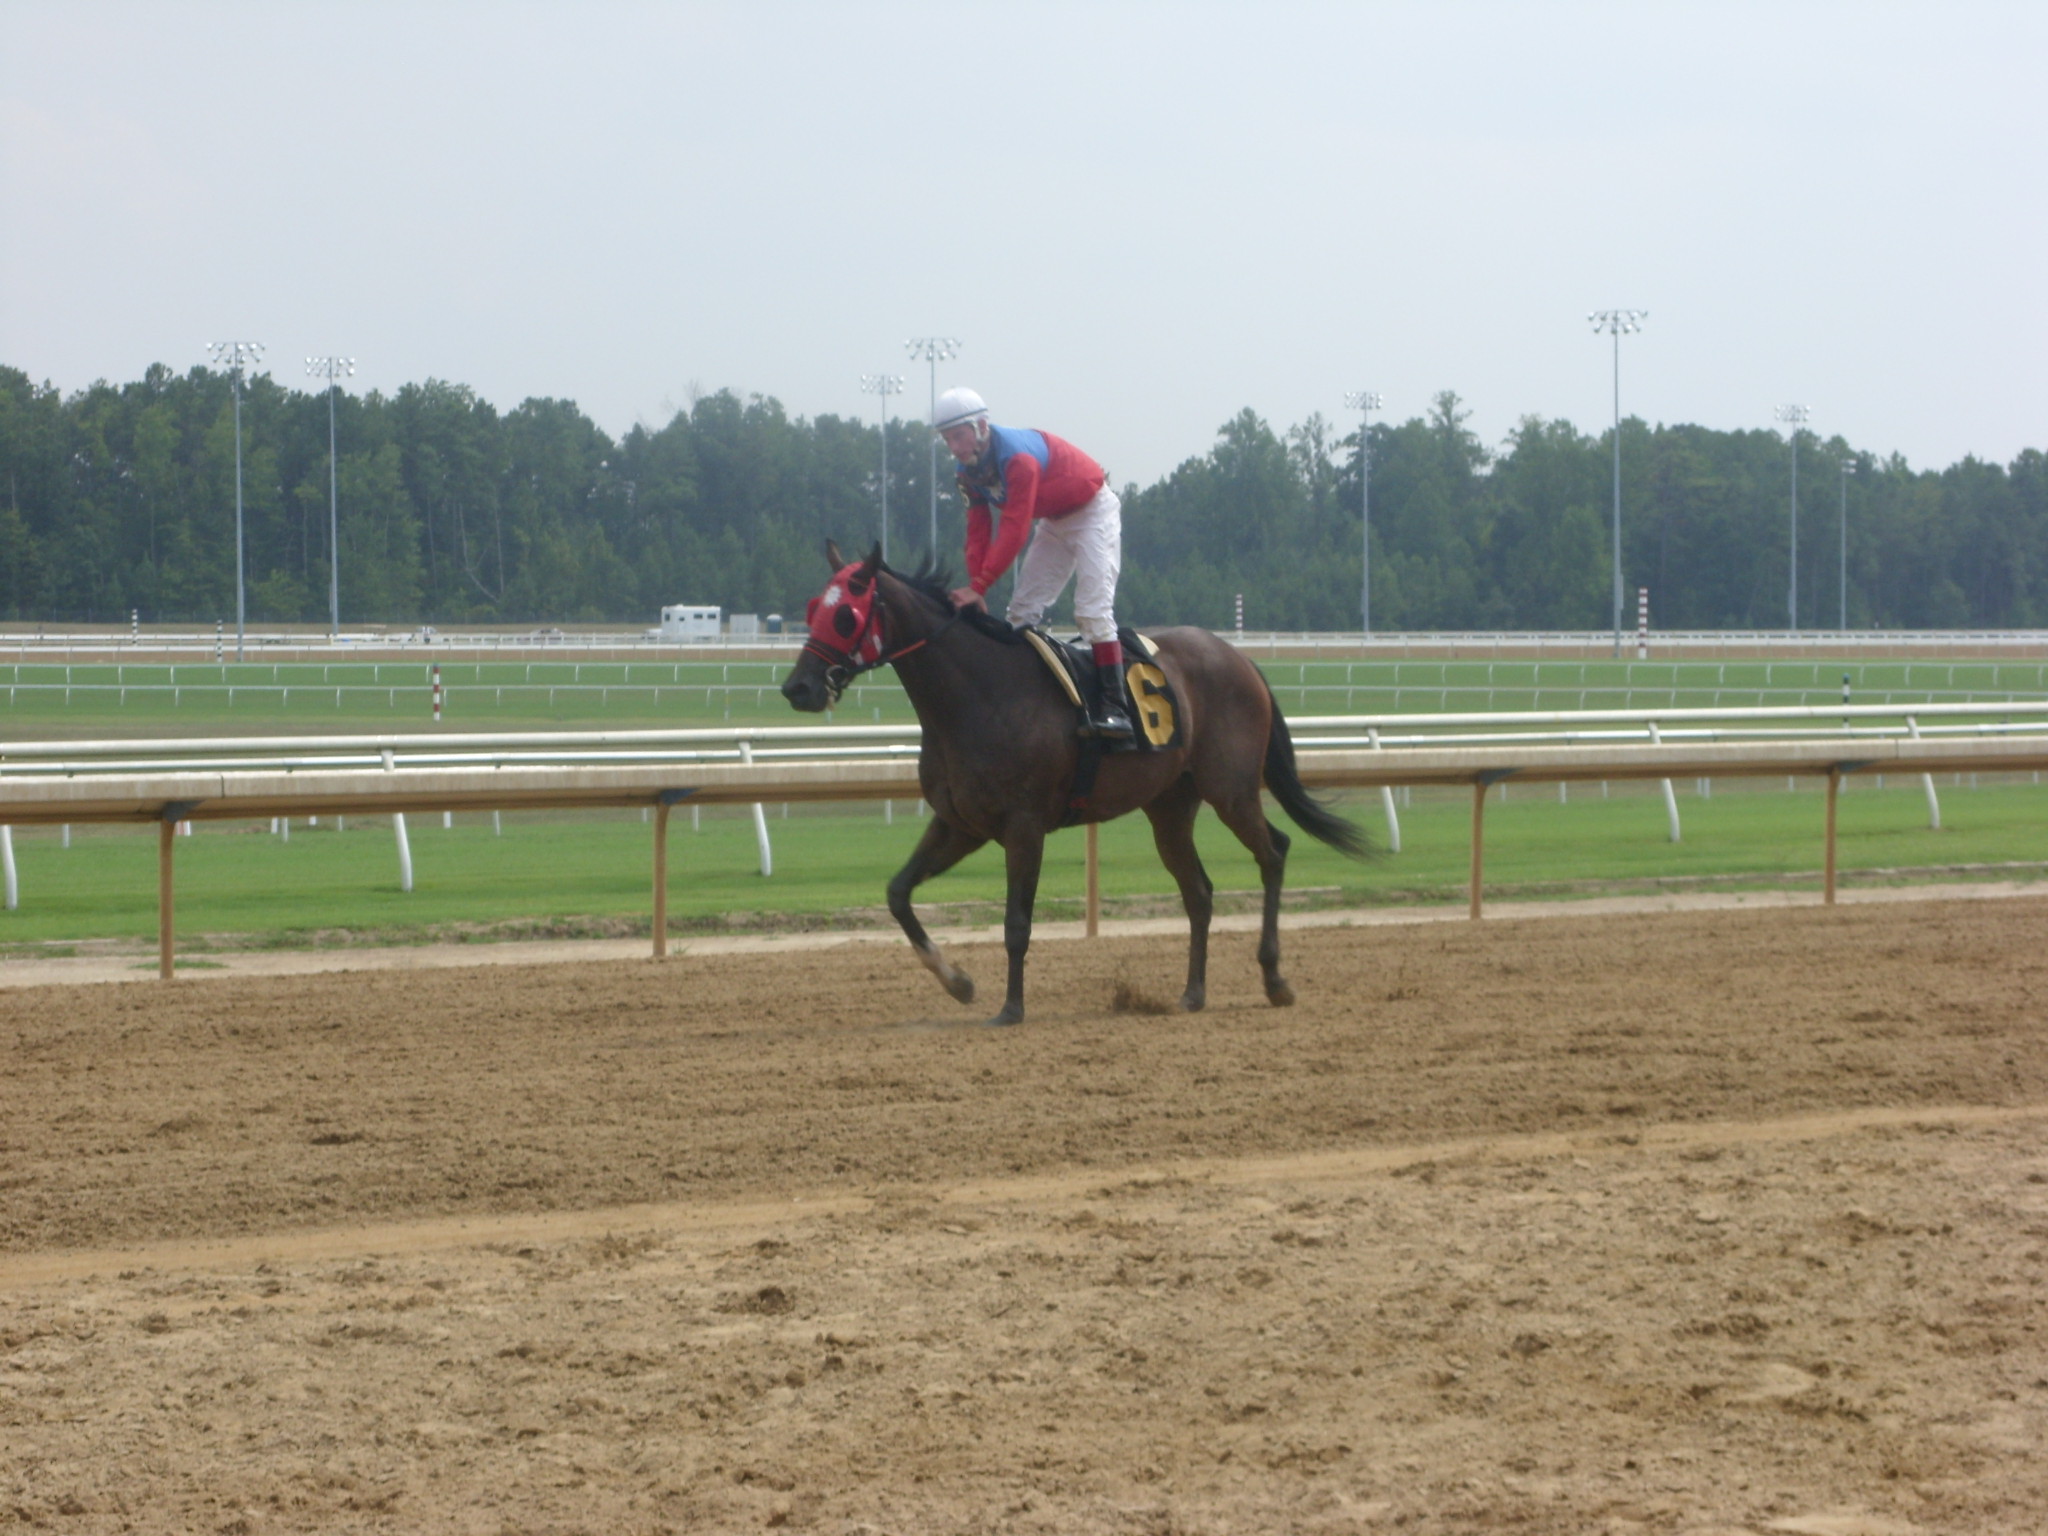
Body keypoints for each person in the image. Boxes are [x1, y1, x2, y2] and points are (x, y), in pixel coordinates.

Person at [931, 387, 1132, 740]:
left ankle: (1118, 710)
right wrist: (975, 585)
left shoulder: (1017, 459)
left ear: (980, 426)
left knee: (1092, 611)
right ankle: (1018, 698)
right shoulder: (965, 473)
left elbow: (1014, 528)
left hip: (1092, 512)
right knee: (1020, 613)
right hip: (1053, 521)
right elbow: (977, 531)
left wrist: (980, 586)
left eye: (959, 436)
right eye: (947, 439)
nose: (955, 448)